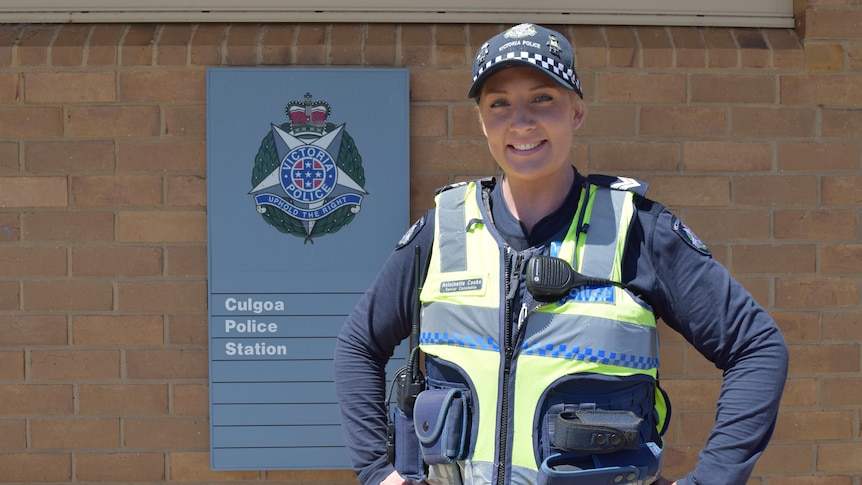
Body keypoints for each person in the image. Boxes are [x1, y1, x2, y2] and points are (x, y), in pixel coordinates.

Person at [334, 23, 788, 485]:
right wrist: (377, 472)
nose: (521, 121)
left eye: (543, 98)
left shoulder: (639, 230)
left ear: (577, 112)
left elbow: (757, 348)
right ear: (482, 120)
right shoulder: (445, 228)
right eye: (499, 103)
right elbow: (358, 346)